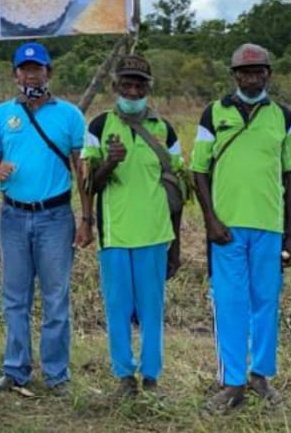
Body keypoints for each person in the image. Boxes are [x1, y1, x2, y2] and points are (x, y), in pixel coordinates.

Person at [190, 43, 291, 412]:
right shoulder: (213, 114)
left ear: (268, 74)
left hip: (269, 226)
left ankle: (260, 376)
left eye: (258, 71)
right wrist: (211, 220)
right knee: (229, 302)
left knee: (266, 301)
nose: (252, 78)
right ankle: (232, 382)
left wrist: (290, 234)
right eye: (244, 72)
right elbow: (198, 171)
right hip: (227, 229)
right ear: (234, 75)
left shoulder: (284, 117)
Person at [0, 42, 90, 394]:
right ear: (15, 75)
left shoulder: (70, 115)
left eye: (37, 69)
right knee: (15, 298)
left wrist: (87, 218)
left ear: (49, 72)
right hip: (13, 217)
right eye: (24, 69)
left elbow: (82, 170)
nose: (31, 75)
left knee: (56, 298)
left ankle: (57, 374)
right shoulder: (2, 114)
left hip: (55, 218)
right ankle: (15, 369)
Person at [80, 55, 183, 397]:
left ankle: (151, 377)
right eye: (127, 84)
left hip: (155, 234)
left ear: (148, 88)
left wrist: (176, 244)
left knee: (152, 310)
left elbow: (177, 189)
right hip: (116, 235)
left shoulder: (164, 129)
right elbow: (90, 185)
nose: (133, 91)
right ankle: (124, 376)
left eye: (139, 85)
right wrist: (110, 162)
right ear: (115, 87)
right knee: (118, 310)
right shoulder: (98, 126)